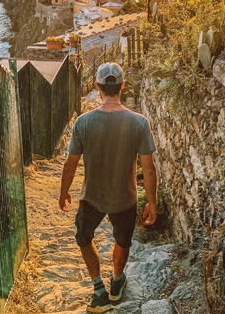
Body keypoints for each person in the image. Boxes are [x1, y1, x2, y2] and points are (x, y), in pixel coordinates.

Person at [59, 62, 157, 313]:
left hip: (91, 196)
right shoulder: (139, 123)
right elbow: (149, 169)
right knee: (122, 241)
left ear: (98, 87)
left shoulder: (83, 123)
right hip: (125, 198)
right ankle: (116, 282)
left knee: (83, 237)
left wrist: (64, 191)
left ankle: (98, 288)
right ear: (122, 86)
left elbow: (70, 165)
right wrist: (153, 202)